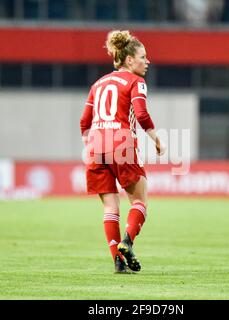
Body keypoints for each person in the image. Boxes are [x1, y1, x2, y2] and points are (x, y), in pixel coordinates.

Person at [80, 30, 165, 274]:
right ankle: (127, 242)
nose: (147, 61)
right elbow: (140, 114)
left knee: (110, 207)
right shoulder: (135, 82)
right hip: (121, 144)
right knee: (139, 200)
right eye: (143, 57)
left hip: (96, 146)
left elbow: (84, 122)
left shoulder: (97, 84)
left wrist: (93, 144)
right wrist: (156, 138)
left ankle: (117, 261)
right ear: (129, 60)